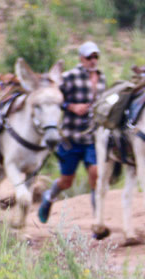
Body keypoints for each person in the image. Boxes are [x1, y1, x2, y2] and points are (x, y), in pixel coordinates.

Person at [38, 41, 107, 223]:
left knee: (95, 173)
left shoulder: (102, 78)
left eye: (95, 57)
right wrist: (71, 106)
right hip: (70, 136)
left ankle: (97, 221)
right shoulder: (69, 77)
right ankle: (49, 197)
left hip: (92, 137)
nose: (93, 61)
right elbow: (54, 98)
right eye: (89, 57)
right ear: (81, 59)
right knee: (66, 181)